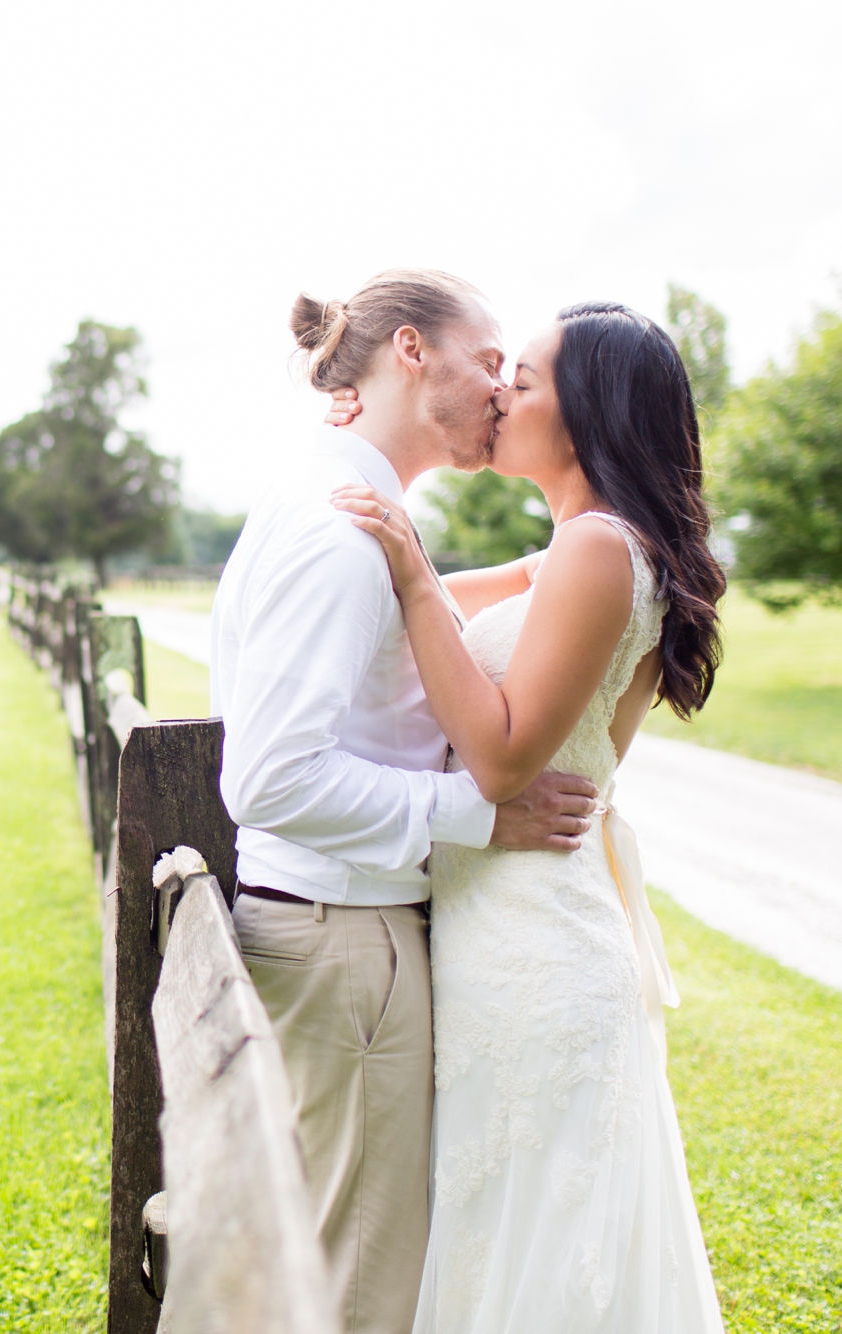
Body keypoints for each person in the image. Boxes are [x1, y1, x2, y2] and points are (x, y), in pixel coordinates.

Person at [210, 269, 602, 1334]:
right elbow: (267, 779)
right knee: (362, 1290)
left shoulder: (351, 509)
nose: (501, 388)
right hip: (346, 942)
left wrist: (578, 555)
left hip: (347, 936)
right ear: (412, 351)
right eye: (488, 361)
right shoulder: (339, 532)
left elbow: (404, 637)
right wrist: (480, 814)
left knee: (350, 1262)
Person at [329, 302, 728, 1331]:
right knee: (504, 1236)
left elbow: (503, 756)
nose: (501, 390)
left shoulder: (599, 548)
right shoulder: (571, 550)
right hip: (507, 928)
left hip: (536, 950)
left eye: (530, 378)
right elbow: (431, 606)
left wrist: (411, 572)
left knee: (536, 1250)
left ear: (588, 412)